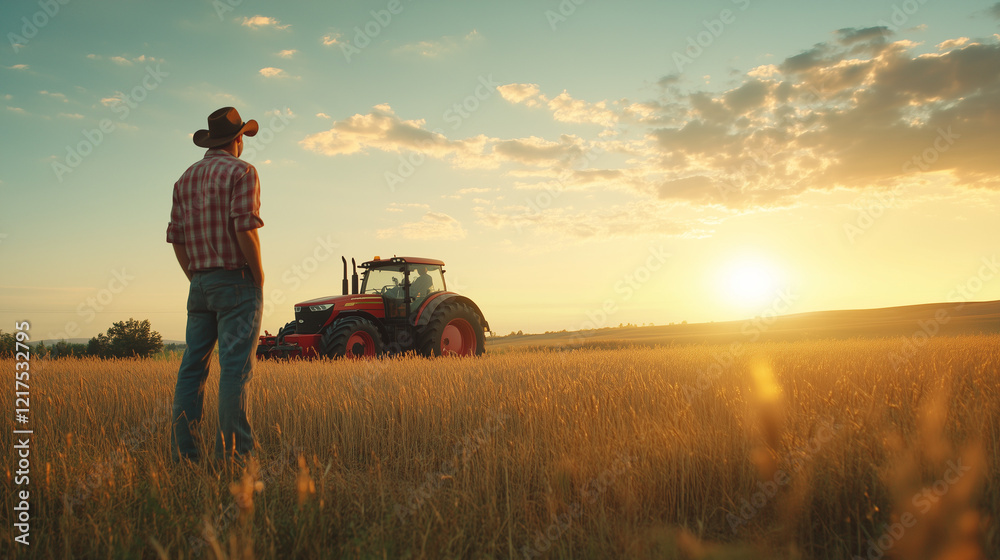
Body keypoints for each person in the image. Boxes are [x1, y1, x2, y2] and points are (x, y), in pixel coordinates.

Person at [166, 107, 265, 465]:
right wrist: (258, 274)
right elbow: (245, 228)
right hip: (237, 281)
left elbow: (175, 237)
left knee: (192, 369)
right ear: (237, 139)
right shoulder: (242, 172)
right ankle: (237, 460)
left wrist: (195, 276)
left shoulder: (185, 179)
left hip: (200, 284)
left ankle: (185, 457)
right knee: (235, 371)